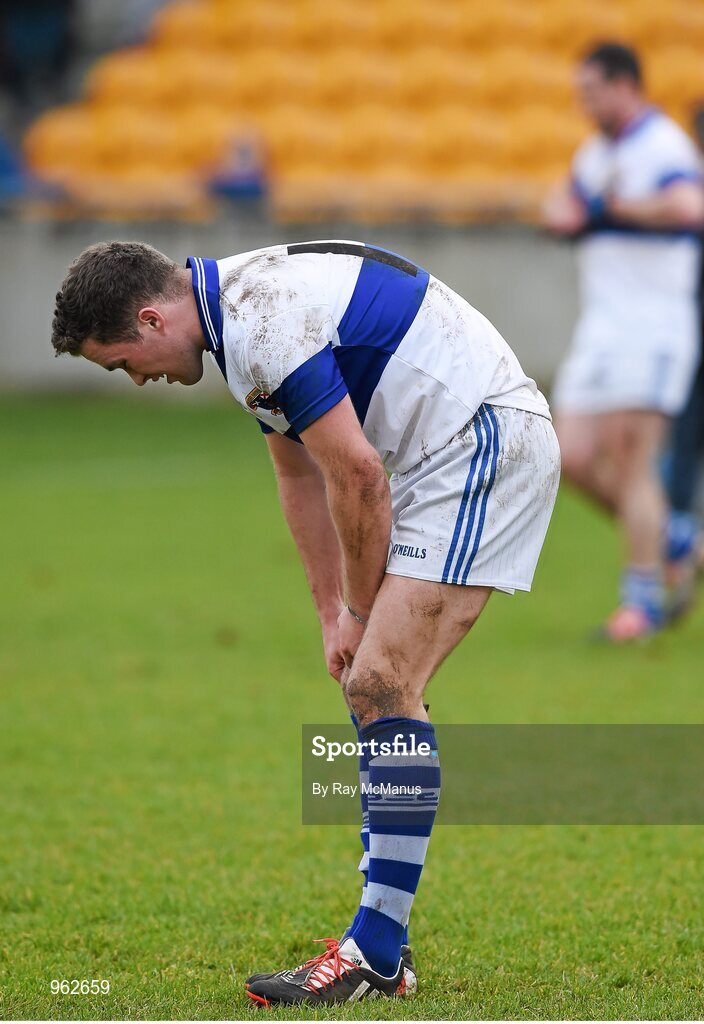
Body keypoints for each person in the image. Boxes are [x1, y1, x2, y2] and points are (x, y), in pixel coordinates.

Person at [51, 238, 560, 1005]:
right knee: (372, 685)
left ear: (152, 319)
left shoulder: (260, 322)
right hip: (441, 454)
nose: (137, 378)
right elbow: (299, 470)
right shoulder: (237, 320)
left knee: (385, 682)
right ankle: (383, 943)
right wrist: (332, 615)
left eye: (122, 362)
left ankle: (377, 953)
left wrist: (361, 610)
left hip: (480, 444)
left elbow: (356, 473)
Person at [544, 42, 704, 641]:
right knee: (571, 455)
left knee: (632, 456)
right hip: (602, 325)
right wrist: (564, 213)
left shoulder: (662, 144)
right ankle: (677, 540)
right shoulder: (595, 151)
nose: (583, 104)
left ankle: (641, 604)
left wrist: (608, 211)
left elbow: (690, 204)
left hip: (654, 323)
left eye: (591, 91)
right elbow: (564, 202)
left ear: (624, 85)